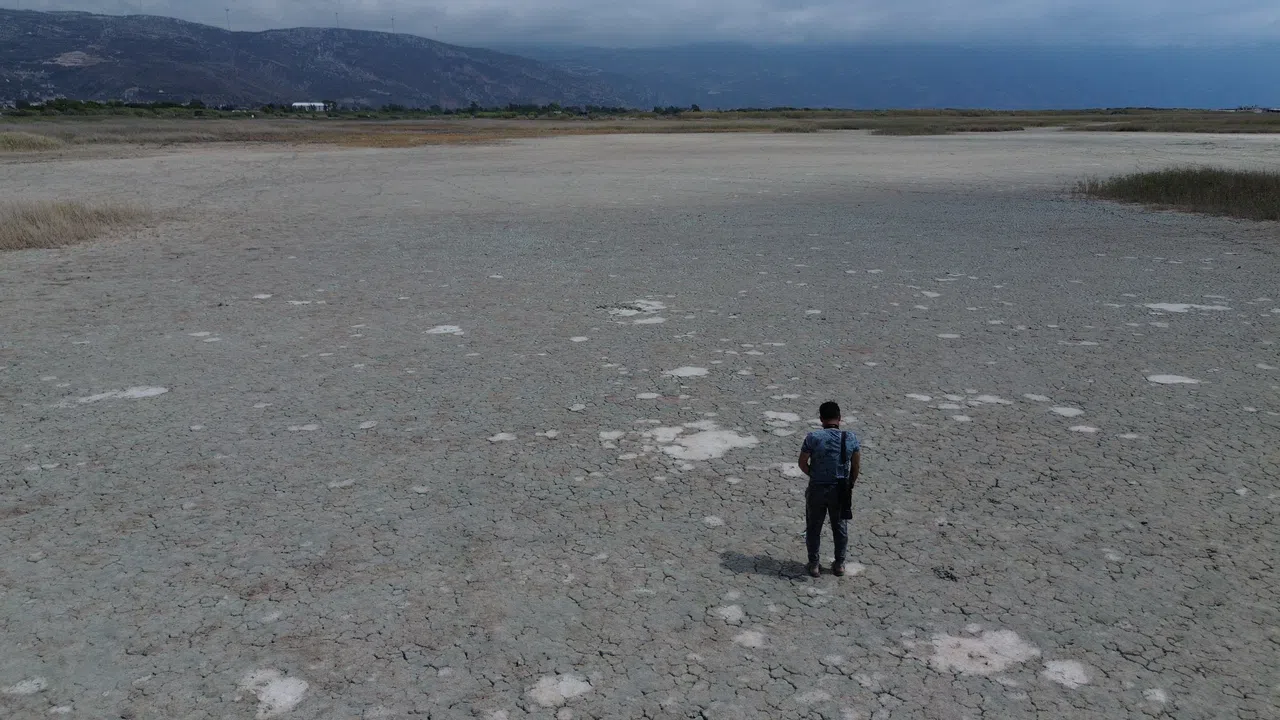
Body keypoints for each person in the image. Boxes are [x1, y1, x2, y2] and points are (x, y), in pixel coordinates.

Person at [797, 401, 860, 577]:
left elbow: (802, 463)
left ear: (821, 419)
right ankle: (839, 564)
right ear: (839, 419)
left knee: (814, 527)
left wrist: (815, 475)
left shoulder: (813, 438)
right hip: (839, 489)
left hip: (817, 488)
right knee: (839, 527)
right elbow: (855, 467)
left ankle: (814, 564)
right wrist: (849, 485)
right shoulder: (851, 438)